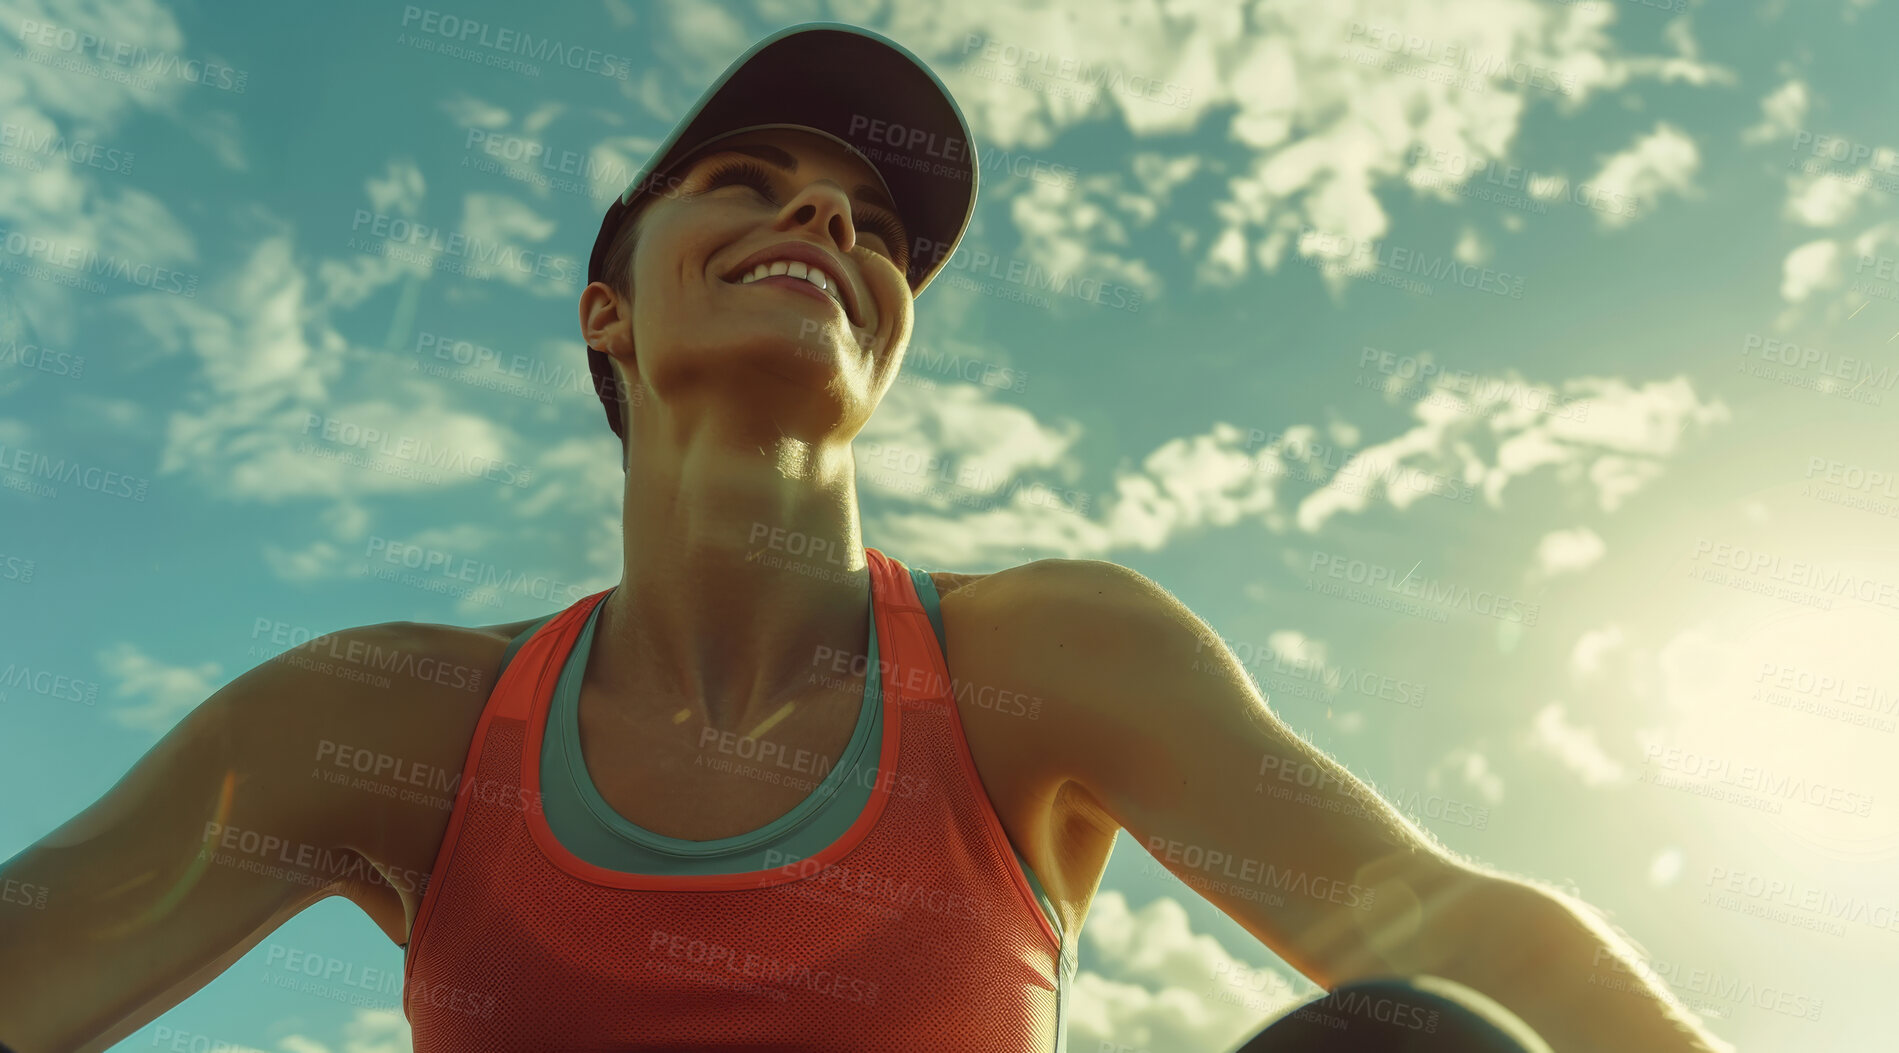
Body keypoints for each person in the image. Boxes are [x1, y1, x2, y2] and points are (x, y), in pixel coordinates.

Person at [0, 21, 1730, 1053]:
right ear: (608, 311)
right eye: (745, 179)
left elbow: (1441, 921)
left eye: (874, 221)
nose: (824, 211)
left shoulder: (1045, 661)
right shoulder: (393, 722)